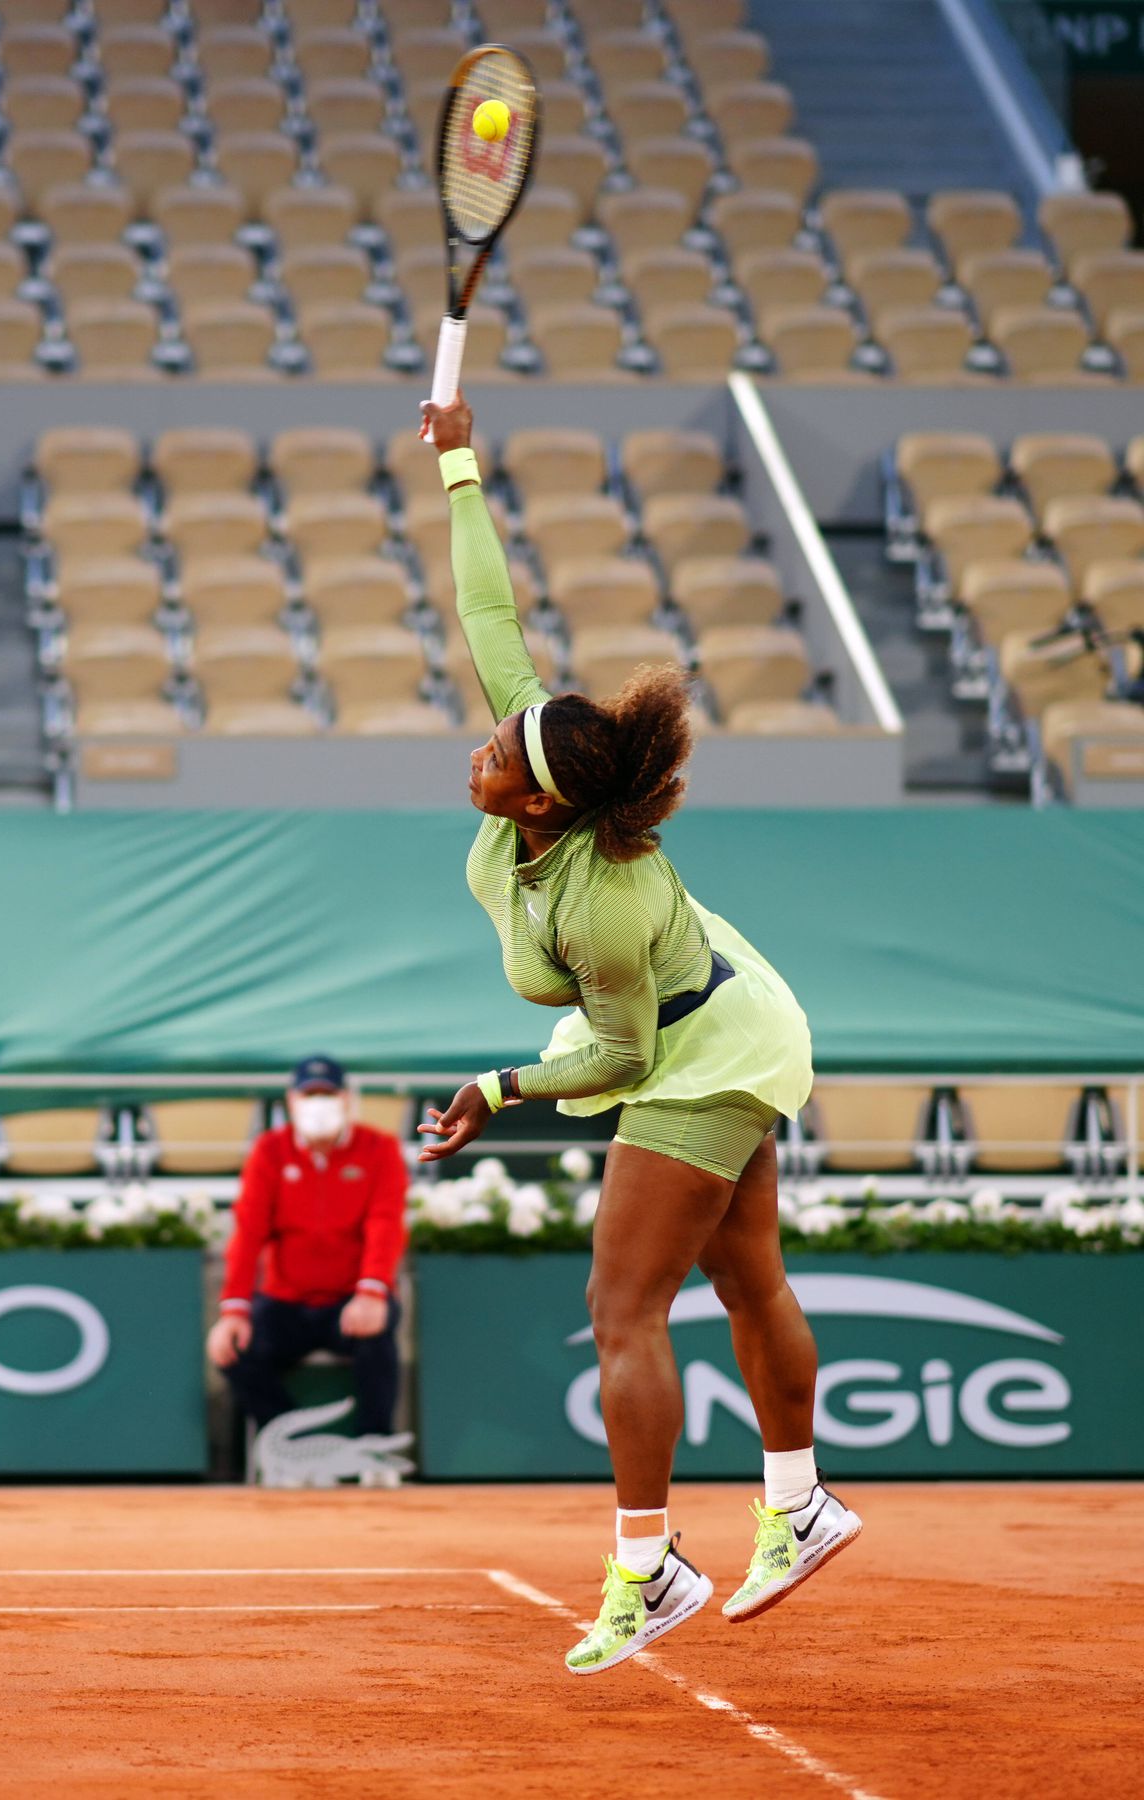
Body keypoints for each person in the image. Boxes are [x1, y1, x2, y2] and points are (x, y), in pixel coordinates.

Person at [415, 391, 862, 1677]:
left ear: (542, 802)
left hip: (699, 1047)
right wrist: (459, 465)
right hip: (734, 1006)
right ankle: (799, 1503)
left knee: (623, 1309)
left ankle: (648, 1566)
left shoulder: (603, 905)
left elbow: (616, 1061)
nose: (481, 746)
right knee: (745, 1277)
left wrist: (499, 1085)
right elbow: (488, 614)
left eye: (498, 752)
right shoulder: (545, 783)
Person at [207, 1054, 408, 1446]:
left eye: (327, 1093)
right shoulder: (270, 1150)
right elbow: (248, 1234)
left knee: (377, 1336)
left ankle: (374, 1446)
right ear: (291, 1100)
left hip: (349, 1301)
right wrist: (233, 1308)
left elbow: (385, 1224)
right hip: (286, 1303)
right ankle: (294, 1444)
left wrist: (371, 1291)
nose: (318, 1102)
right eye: (309, 1093)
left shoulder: (379, 1148)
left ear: (347, 1099)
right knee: (232, 1351)